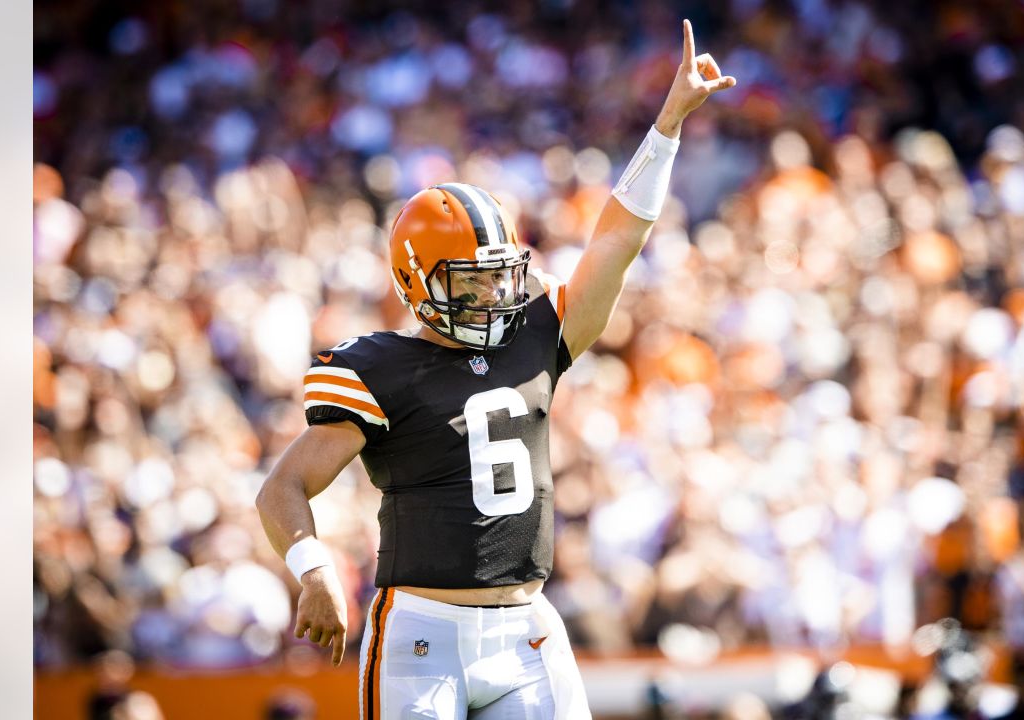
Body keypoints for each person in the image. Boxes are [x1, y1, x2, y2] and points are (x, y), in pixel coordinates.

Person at [256, 19, 735, 719]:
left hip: (527, 629)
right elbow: (284, 488)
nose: (498, 295)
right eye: (474, 282)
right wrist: (314, 570)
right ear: (418, 281)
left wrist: (667, 123)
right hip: (421, 635)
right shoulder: (380, 367)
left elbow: (618, 241)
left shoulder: (534, 337)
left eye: (501, 276)